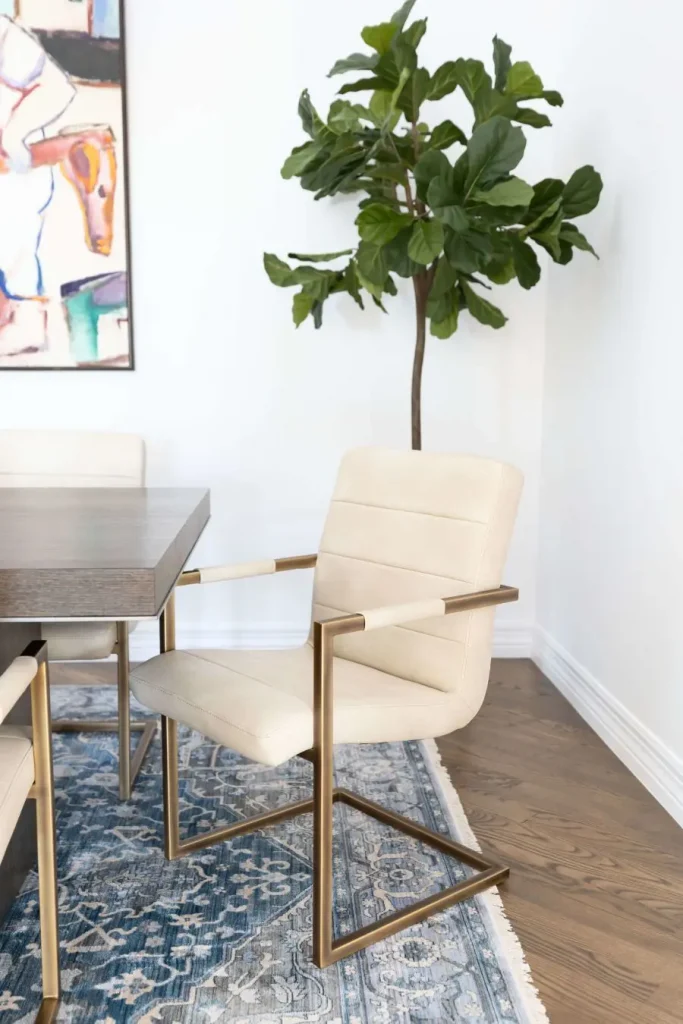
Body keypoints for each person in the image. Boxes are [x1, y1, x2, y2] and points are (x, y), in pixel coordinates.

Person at [0, 14, 76, 354]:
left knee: (13, 241)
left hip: (15, 174)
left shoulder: (5, 37)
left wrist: (14, 135)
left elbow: (57, 89)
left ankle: (27, 322)